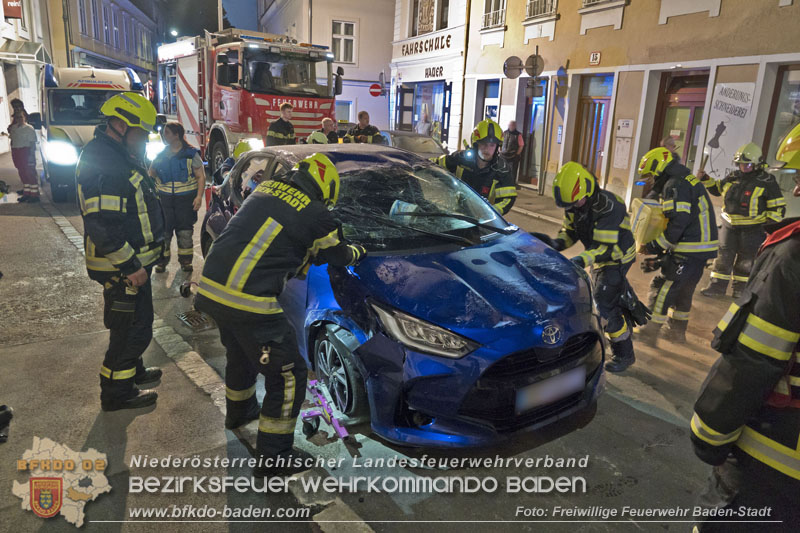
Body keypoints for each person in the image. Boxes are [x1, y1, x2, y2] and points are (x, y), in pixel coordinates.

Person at [194, 153, 367, 477]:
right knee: (288, 374)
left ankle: (240, 413)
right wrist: (359, 250)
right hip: (249, 300)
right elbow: (339, 255)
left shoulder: (268, 188)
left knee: (241, 355)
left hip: (212, 288)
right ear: (325, 190)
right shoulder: (316, 214)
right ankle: (274, 458)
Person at [689, 124, 800, 531]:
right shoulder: (736, 178)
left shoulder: (793, 257)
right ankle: (720, 283)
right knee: (724, 265)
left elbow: (755, 356)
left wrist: (709, 432)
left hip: (774, 462)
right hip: (731, 229)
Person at [76, 92, 164, 411]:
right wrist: (129, 266)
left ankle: (132, 373)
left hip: (131, 264)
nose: (143, 141)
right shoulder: (106, 163)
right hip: (121, 267)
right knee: (129, 333)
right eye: (140, 133)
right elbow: (102, 224)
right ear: (119, 125)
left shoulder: (115, 154)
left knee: (136, 324)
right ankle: (116, 393)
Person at [534, 162, 645, 373]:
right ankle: (623, 299)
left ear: (587, 190)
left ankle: (624, 353)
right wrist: (556, 243)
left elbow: (604, 249)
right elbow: (570, 232)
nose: (572, 207)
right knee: (602, 292)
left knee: (603, 308)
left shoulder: (609, 206)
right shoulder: (574, 204)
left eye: (575, 202)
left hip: (617, 257)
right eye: (568, 204)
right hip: (599, 255)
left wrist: (580, 260)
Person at [634, 147, 719, 345]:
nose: (649, 179)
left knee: (665, 285)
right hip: (701, 247)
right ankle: (676, 333)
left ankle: (650, 332)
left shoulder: (674, 185)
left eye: (650, 174)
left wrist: (654, 246)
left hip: (689, 246)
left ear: (658, 169)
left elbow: (677, 223)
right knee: (684, 290)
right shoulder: (683, 179)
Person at [698, 143, 785, 299]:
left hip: (753, 229)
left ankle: (740, 291)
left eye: (748, 164)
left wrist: (768, 228)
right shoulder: (733, 177)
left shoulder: (767, 181)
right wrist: (705, 179)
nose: (744, 167)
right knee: (723, 257)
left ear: (758, 163)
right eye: (741, 164)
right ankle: (716, 287)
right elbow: (718, 189)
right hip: (728, 225)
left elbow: (777, 207)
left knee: (746, 260)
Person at [149, 122, 205, 273]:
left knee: (185, 232)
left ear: (177, 135)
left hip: (185, 201)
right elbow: (151, 175)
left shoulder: (191, 154)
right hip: (164, 201)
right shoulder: (160, 155)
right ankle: (162, 262)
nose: (163, 136)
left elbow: (201, 177)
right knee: (164, 233)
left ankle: (186, 262)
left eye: (167, 133)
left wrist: (199, 197)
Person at [435, 118, 517, 215]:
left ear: (497, 146)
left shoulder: (502, 169)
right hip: (457, 214)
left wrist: (489, 213)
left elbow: (508, 199)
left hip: (484, 222)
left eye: (492, 145)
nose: (487, 149)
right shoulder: (462, 159)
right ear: (476, 144)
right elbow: (433, 164)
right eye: (483, 144)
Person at [9, 110, 39, 203]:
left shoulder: (29, 128)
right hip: (16, 152)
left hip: (26, 151)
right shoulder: (14, 128)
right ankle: (27, 193)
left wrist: (31, 155)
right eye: (17, 117)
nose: (19, 119)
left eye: (21, 117)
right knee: (22, 173)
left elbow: (32, 143)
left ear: (25, 117)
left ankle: (35, 195)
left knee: (30, 173)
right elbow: (12, 139)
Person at [501, 120, 524, 185]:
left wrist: (517, 154)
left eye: (512, 125)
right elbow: (500, 142)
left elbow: (521, 145)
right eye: (510, 125)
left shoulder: (518, 135)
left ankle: (511, 184)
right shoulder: (504, 133)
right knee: (503, 170)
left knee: (512, 172)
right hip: (503, 155)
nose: (511, 126)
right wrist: (499, 150)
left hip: (513, 156)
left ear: (515, 126)